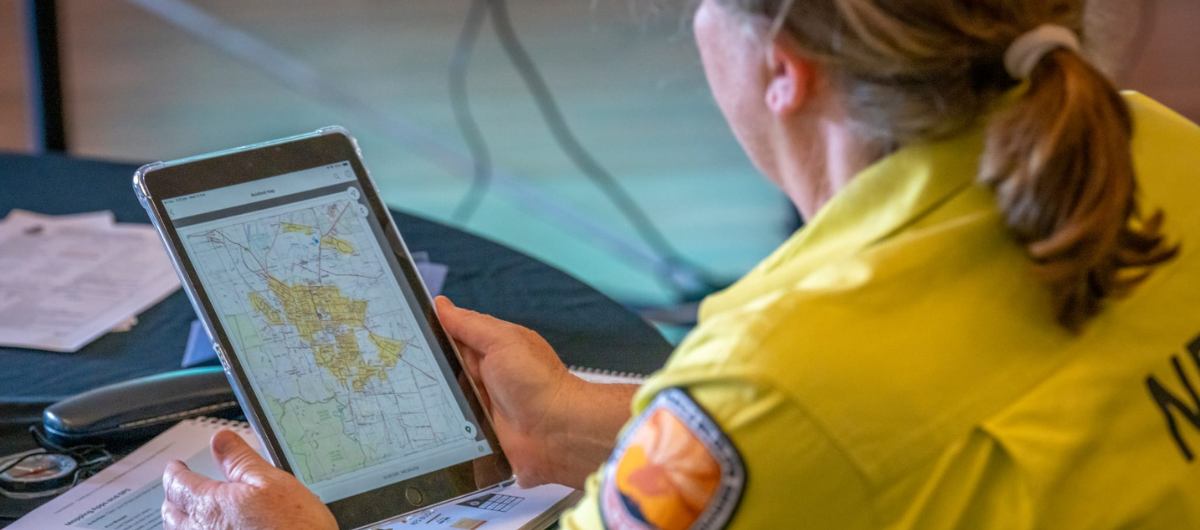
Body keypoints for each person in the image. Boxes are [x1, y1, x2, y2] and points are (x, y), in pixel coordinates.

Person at [160, 0, 1200, 528]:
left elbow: (792, 421)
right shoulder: (1156, 144)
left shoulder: (781, 373)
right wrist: (570, 420)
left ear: (782, 69)